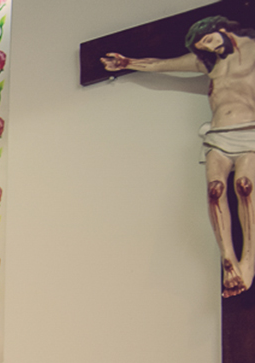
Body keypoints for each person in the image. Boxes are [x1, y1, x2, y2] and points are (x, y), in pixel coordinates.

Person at [102, 16, 255, 297]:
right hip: (219, 135)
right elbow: (161, 63)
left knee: (244, 187)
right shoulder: (209, 62)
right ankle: (228, 260)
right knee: (214, 191)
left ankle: (248, 262)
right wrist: (127, 62)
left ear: (222, 29)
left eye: (209, 40)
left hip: (250, 132)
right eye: (202, 47)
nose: (208, 49)